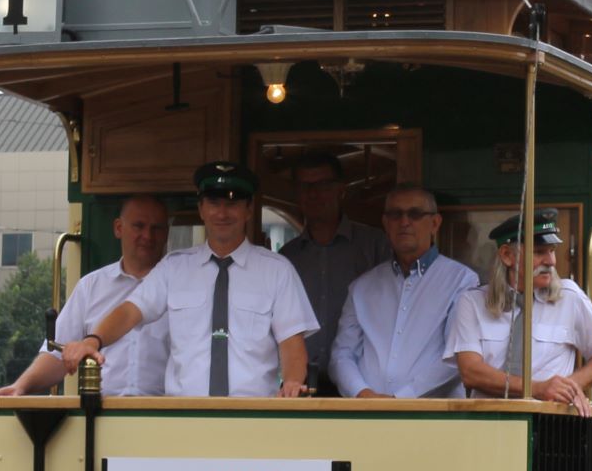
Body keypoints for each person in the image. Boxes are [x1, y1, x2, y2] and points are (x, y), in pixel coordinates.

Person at [58, 161, 317, 399]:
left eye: (233, 203)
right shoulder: (174, 267)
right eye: (214, 203)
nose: (223, 213)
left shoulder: (277, 270)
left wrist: (293, 382)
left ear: (249, 209)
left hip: (253, 415)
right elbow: (130, 312)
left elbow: (292, 344)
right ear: (201, 209)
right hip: (183, 417)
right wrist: (93, 341)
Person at [0, 194, 173, 397]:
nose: (148, 236)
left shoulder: (181, 286)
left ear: (167, 233)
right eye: (139, 226)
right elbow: (58, 354)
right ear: (118, 228)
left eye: (157, 228)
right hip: (99, 413)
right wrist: (21, 386)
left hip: (164, 415)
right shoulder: (91, 286)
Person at [446, 215, 592, 412]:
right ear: (507, 256)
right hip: (487, 425)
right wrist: (537, 388)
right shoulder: (472, 302)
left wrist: (567, 387)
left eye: (552, 251)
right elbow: (471, 372)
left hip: (549, 425)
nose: (551, 261)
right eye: (539, 252)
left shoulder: (569, 297)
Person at [330, 184, 479, 399]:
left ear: (435, 223)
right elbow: (342, 354)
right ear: (385, 223)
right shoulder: (362, 286)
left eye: (415, 214)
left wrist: (401, 399)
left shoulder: (461, 281)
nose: (404, 222)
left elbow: (457, 356)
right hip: (369, 415)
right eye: (395, 214)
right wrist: (362, 394)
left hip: (434, 418)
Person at [277, 153, 386, 392]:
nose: (314, 194)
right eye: (306, 186)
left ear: (341, 190)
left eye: (323, 185)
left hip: (363, 385)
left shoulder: (376, 246)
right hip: (301, 385)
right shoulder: (286, 258)